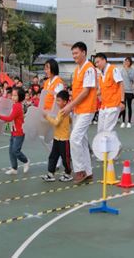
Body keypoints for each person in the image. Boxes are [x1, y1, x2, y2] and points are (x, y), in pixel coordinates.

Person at [59, 42, 97, 184]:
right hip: (78, 109)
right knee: (81, 140)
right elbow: (76, 91)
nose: (74, 56)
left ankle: (80, 170)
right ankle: (88, 172)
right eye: (73, 53)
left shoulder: (89, 68)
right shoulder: (77, 70)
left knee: (74, 138)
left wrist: (69, 106)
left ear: (84, 52)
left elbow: (86, 91)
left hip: (87, 109)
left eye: (76, 53)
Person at [40, 90, 73, 182]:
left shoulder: (62, 111)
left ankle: (68, 173)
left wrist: (46, 117)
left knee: (65, 158)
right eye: (57, 100)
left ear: (65, 102)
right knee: (53, 156)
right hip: (57, 138)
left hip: (63, 139)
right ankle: (50, 174)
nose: (57, 102)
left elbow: (56, 123)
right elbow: (69, 120)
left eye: (59, 100)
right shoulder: (63, 111)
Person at [0, 87, 30, 175]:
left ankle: (26, 161)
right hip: (13, 131)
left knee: (15, 151)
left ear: (20, 97)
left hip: (19, 132)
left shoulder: (17, 106)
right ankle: (14, 168)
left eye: (15, 95)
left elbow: (10, 118)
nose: (13, 97)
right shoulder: (14, 104)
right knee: (11, 150)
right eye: (12, 95)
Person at [95, 52, 125, 134]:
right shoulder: (101, 74)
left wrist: (122, 101)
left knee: (107, 130)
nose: (97, 65)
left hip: (114, 105)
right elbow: (100, 91)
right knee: (100, 130)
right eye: (95, 63)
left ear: (104, 60)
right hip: (104, 106)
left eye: (98, 62)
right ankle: (116, 145)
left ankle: (109, 146)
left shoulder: (113, 69)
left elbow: (121, 84)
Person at [119, 57, 134, 128]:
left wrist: (126, 69)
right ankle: (123, 121)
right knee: (123, 106)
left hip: (129, 91)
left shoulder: (132, 70)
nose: (126, 62)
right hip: (123, 91)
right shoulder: (121, 70)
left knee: (129, 106)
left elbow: (131, 78)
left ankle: (129, 121)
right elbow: (119, 79)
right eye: (125, 61)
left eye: (128, 61)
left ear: (130, 62)